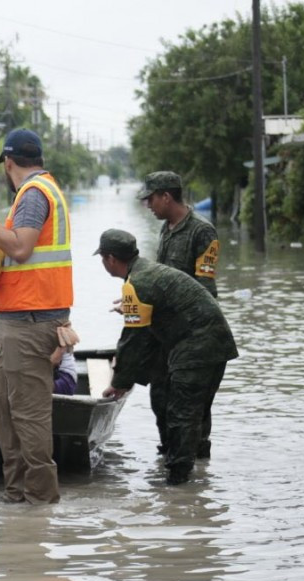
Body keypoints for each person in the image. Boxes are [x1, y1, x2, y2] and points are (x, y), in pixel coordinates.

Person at [0, 128, 72, 505]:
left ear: (8, 163)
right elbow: (10, 255)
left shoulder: (34, 194)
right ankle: (16, 494)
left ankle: (39, 501)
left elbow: (21, 249)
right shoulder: (38, 192)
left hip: (32, 319)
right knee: (0, 402)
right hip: (17, 317)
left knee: (28, 412)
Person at [95, 229, 238, 486]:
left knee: (182, 414)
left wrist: (119, 382)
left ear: (111, 259)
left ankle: (178, 486)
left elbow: (133, 339)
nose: (104, 264)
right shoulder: (146, 272)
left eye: (103, 259)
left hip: (198, 346)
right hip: (215, 343)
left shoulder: (137, 283)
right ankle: (196, 475)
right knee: (194, 413)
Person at [138, 170, 220, 458]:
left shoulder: (202, 231)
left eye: (151, 199)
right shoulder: (167, 229)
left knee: (191, 408)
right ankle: (170, 459)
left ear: (166, 197)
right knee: (159, 395)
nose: (148, 205)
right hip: (167, 332)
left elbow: (205, 289)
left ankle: (195, 477)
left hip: (193, 334)